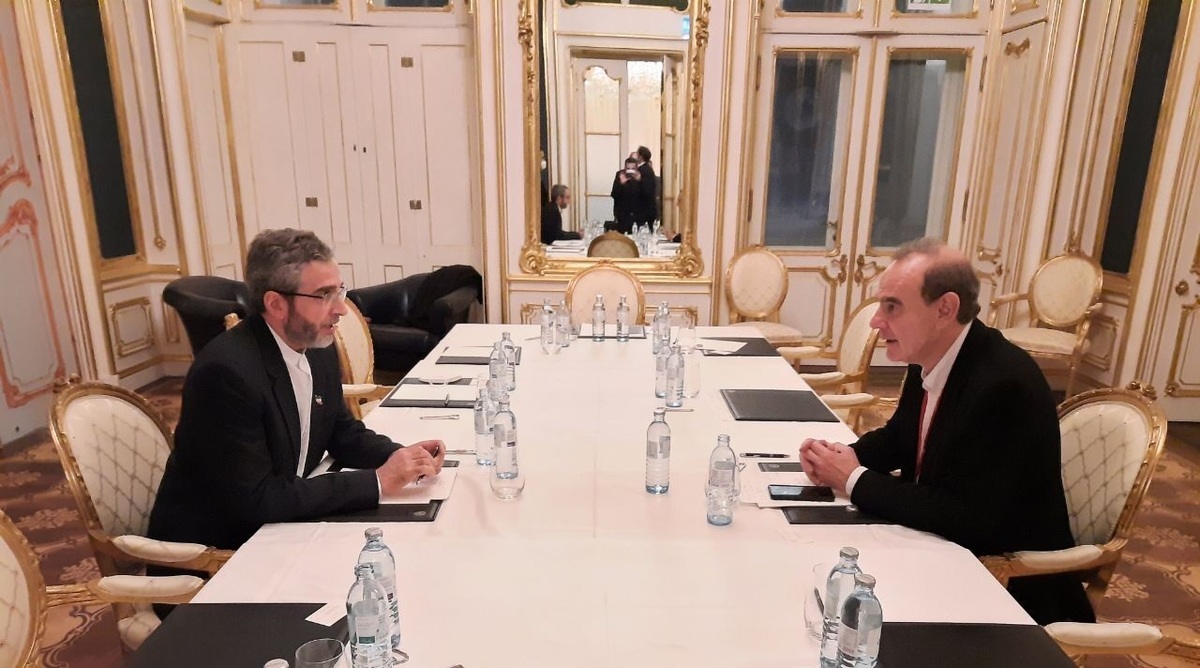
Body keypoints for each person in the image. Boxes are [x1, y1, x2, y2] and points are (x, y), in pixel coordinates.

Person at [799, 238, 1095, 625]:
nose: (876, 321)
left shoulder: (1003, 385)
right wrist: (842, 456)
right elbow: (901, 437)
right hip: (942, 552)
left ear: (945, 309)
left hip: (1005, 590)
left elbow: (963, 515)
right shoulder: (931, 355)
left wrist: (853, 479)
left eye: (892, 307)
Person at [148, 229, 446, 551]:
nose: (341, 309)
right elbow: (259, 497)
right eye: (324, 295)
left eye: (339, 291)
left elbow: (340, 431)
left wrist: (400, 457)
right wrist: (377, 481)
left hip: (281, 524)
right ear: (276, 304)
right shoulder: (226, 373)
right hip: (222, 551)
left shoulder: (316, 347)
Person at [610, 157, 642, 234]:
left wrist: (640, 181)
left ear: (636, 169)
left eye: (633, 168)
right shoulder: (620, 175)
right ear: (625, 168)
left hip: (637, 214)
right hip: (622, 214)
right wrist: (621, 183)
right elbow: (614, 194)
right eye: (628, 168)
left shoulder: (640, 177)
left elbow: (645, 195)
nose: (630, 171)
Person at [631, 146, 658, 226]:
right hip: (643, 209)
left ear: (641, 156)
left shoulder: (645, 170)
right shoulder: (643, 169)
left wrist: (640, 180)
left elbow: (648, 190)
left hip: (644, 210)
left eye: (637, 153)